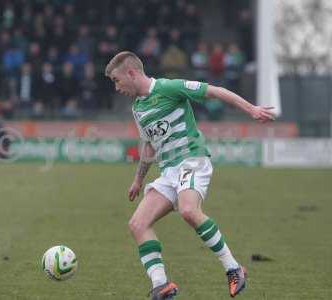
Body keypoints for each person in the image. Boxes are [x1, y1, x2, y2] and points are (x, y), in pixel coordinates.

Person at [105, 51, 275, 300]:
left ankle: (233, 268)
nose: (117, 87)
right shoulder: (138, 108)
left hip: (192, 160)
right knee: (138, 224)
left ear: (131, 73)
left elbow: (216, 91)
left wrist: (252, 109)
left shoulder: (169, 87)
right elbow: (150, 146)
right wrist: (138, 180)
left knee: (188, 210)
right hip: (169, 171)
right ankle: (161, 285)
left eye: (117, 80)